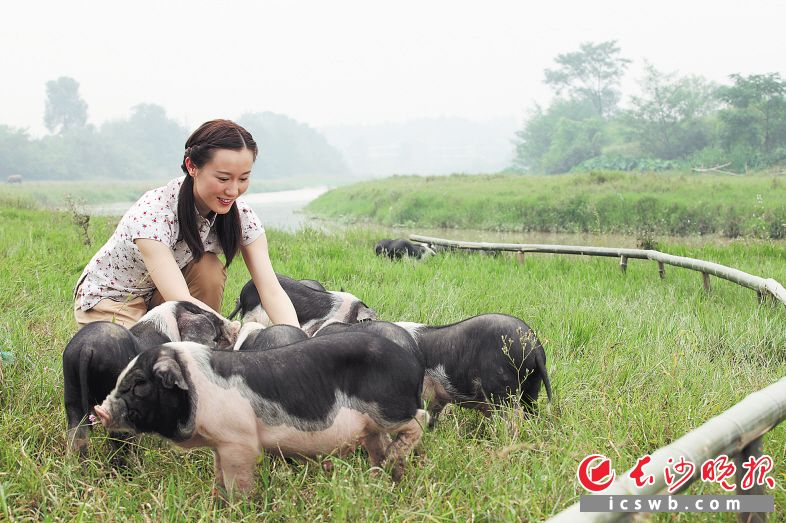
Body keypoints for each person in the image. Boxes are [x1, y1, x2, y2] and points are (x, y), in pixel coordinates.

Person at [73, 119, 299, 329]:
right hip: (115, 301)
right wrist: (227, 330)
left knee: (207, 267)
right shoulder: (154, 213)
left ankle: (201, 342)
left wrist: (299, 342)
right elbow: (178, 297)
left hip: (158, 296)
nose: (233, 191)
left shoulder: (241, 216)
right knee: (146, 365)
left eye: (243, 179)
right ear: (192, 166)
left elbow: (271, 291)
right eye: (223, 178)